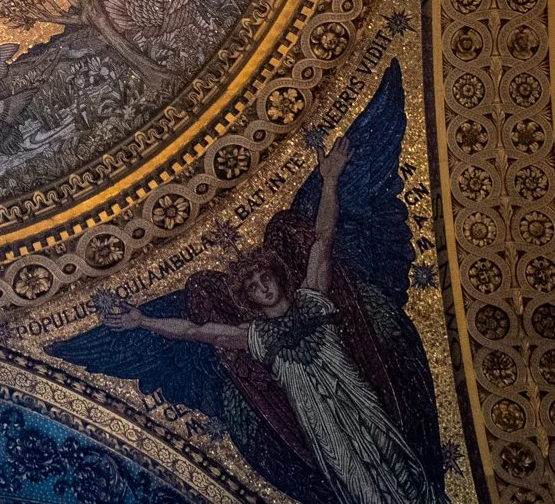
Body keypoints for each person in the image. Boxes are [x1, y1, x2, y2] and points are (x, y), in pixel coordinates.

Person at [106, 138, 447, 504]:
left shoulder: (312, 300)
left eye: (264, 278)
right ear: (247, 297)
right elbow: (196, 331)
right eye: (252, 286)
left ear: (277, 276)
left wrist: (329, 179)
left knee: (397, 460)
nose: (261, 287)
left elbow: (323, 239)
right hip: (322, 424)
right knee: (354, 479)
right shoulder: (259, 336)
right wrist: (142, 321)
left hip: (357, 397)